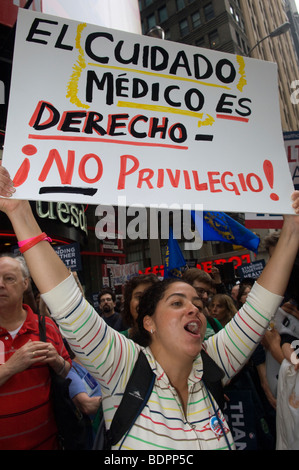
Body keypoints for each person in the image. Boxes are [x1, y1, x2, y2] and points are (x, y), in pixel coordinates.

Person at [0, 166, 298, 450]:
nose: (194, 309)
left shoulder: (213, 363)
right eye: (177, 303)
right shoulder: (121, 366)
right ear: (148, 323)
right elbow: (66, 300)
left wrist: (293, 229)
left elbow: (261, 304)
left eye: (197, 302)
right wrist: (20, 213)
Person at [0, 252, 72, 450]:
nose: (0, 284)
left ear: (25, 284)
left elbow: (66, 370)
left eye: (9, 279)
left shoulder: (46, 327)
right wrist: (10, 367)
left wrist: (56, 360)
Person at [182, 268, 223, 338]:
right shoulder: (174, 323)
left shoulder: (213, 323)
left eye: (208, 292)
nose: (205, 296)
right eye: (200, 291)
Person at [120, 273, 159, 339]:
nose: (144, 302)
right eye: (139, 297)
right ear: (129, 302)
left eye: (150, 296)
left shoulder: (173, 339)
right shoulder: (118, 341)